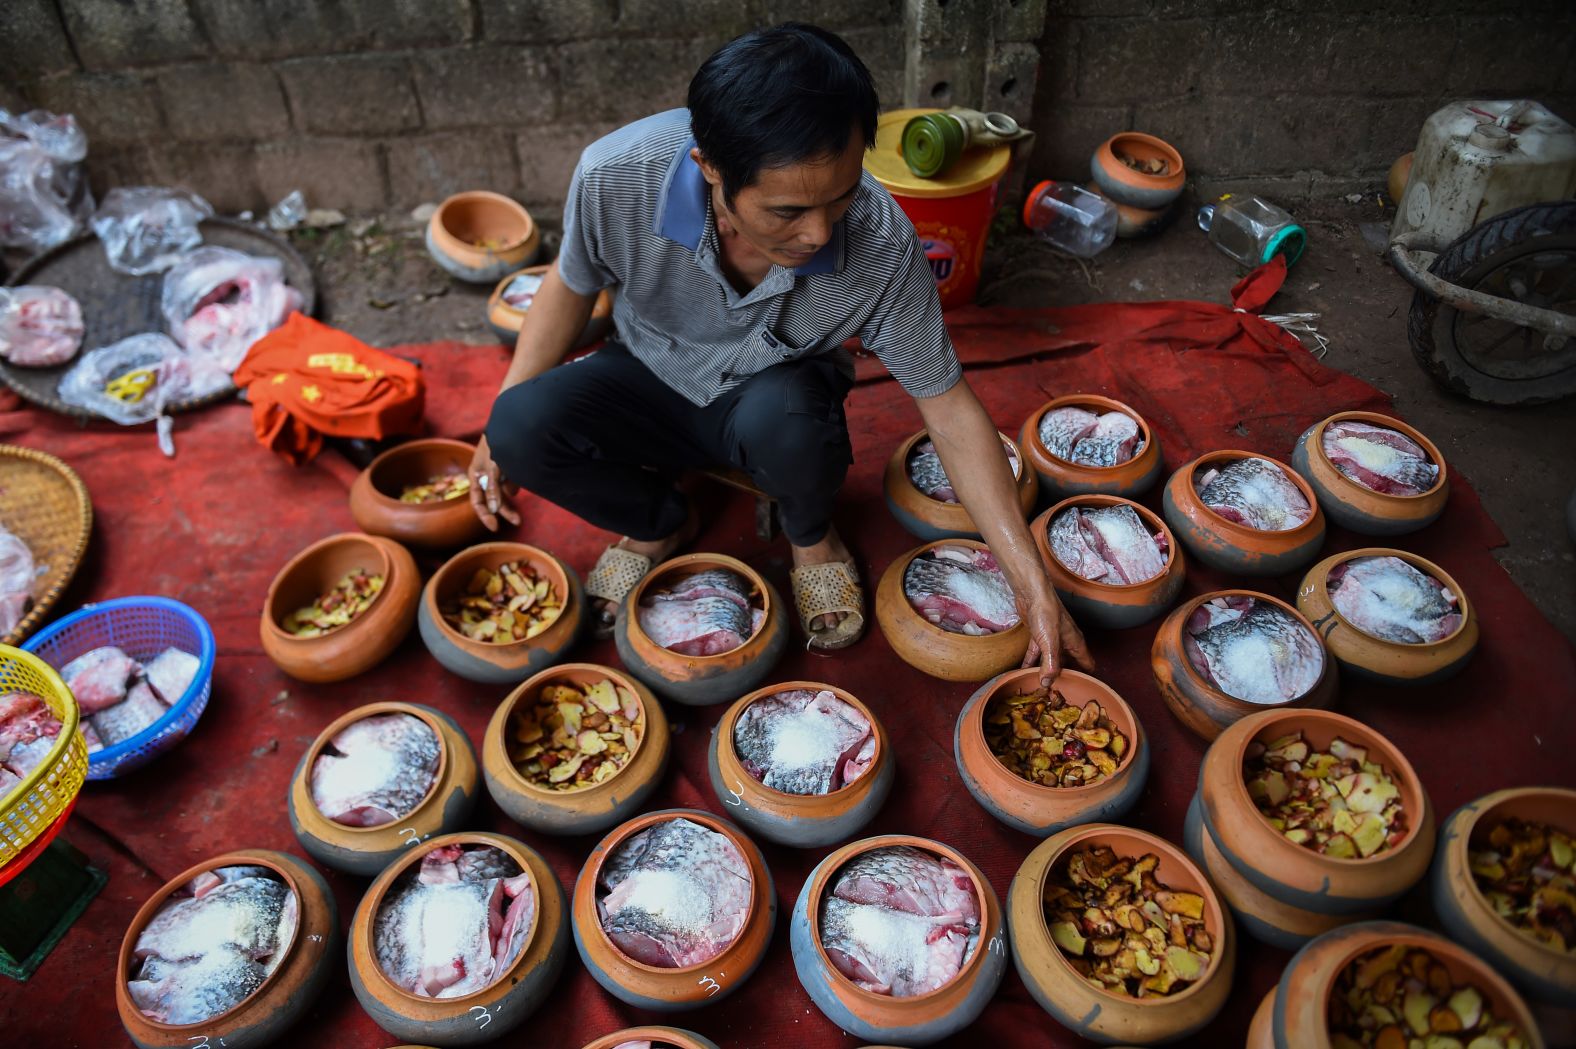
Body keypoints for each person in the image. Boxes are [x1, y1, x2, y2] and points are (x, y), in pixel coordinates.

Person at [470, 22, 1091, 679]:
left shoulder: (880, 243)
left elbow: (951, 413)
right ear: (709, 166)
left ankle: (811, 535)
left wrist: (1029, 580)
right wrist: (503, 408)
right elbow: (571, 285)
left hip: (773, 396)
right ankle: (657, 522)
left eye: (842, 194)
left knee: (789, 425)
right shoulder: (615, 176)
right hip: (647, 368)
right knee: (515, 427)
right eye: (787, 211)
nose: (820, 232)